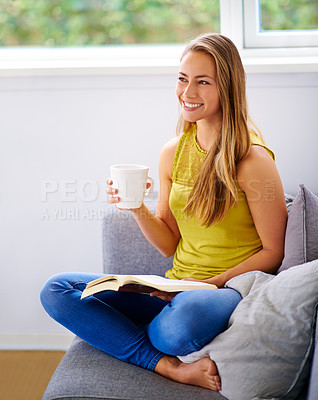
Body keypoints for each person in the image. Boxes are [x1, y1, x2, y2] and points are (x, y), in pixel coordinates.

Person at [40, 33, 288, 392]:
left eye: (203, 82)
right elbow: (168, 244)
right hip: (173, 286)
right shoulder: (172, 152)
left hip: (221, 292)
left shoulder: (252, 160)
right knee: (57, 290)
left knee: (181, 325)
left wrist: (211, 283)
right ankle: (166, 366)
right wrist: (136, 207)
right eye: (183, 79)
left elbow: (273, 252)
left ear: (229, 89)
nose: (188, 93)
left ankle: (138, 338)